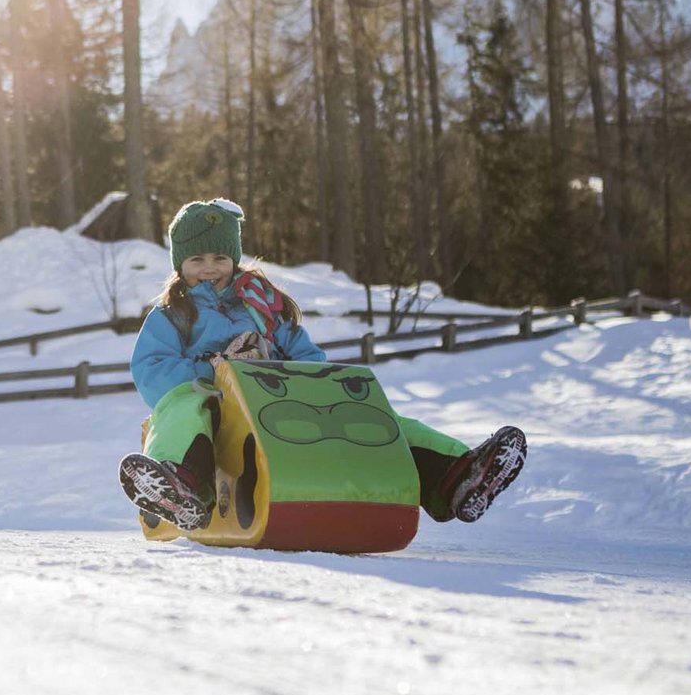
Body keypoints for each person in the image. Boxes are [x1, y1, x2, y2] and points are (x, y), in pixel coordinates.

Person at [119, 199, 526, 532]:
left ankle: (455, 474)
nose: (209, 267)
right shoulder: (173, 312)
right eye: (197, 259)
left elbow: (304, 351)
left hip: (273, 398)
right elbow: (152, 366)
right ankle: (180, 482)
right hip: (216, 404)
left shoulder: (263, 304)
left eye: (219, 256)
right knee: (184, 407)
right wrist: (214, 373)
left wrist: (306, 378)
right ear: (180, 263)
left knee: (367, 415)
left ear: (234, 257)